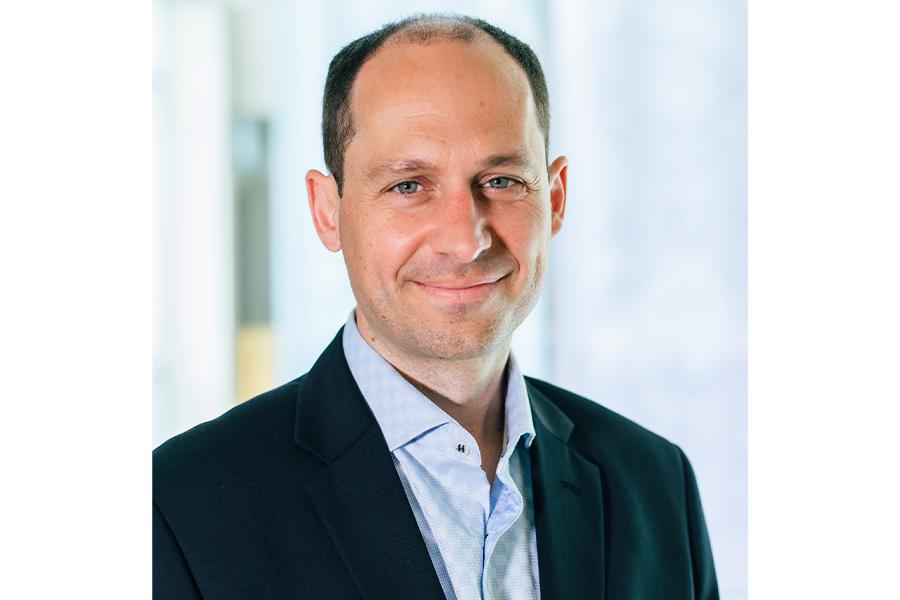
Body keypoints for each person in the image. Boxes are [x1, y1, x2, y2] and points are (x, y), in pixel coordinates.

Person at [153, 13, 719, 600]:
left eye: (500, 181)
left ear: (554, 199)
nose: (465, 238)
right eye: (408, 186)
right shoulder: (177, 509)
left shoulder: (656, 485)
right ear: (328, 211)